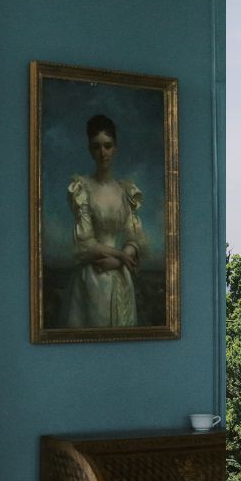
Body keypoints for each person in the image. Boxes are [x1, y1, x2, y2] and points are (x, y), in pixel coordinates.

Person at [64, 113, 147, 327]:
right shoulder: (82, 189)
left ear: (115, 147)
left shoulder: (125, 190)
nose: (103, 153)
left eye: (107, 146)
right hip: (92, 277)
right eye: (96, 146)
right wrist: (118, 254)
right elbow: (86, 242)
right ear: (90, 149)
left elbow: (133, 236)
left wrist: (121, 260)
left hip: (120, 275)